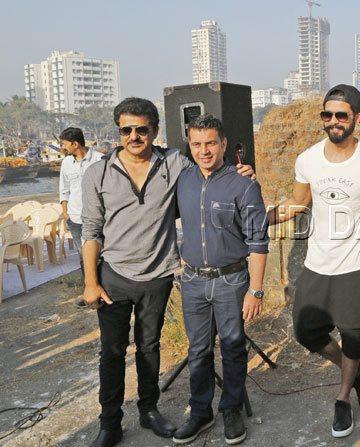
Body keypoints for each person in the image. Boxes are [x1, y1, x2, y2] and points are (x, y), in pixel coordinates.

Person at [81, 98, 254, 447]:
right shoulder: (96, 172)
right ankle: (110, 423)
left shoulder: (173, 163)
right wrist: (90, 283)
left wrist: (243, 171)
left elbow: (211, 168)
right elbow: (90, 232)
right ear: (119, 133)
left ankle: (149, 411)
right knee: (112, 351)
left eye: (141, 129)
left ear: (155, 131)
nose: (134, 136)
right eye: (126, 130)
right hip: (114, 276)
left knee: (148, 347)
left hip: (158, 274)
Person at [267, 85, 360, 439]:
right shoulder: (308, 158)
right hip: (317, 262)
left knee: (352, 336)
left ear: (357, 118)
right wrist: (262, 217)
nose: (333, 121)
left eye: (341, 115)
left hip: (354, 264)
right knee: (306, 331)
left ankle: (343, 397)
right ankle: (356, 368)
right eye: (327, 114)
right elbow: (299, 203)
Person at [171, 114, 269, 445]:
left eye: (211, 143)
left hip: (231, 281)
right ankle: (200, 412)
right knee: (198, 349)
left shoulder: (244, 184)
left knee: (232, 347)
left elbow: (258, 241)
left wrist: (255, 290)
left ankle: (231, 409)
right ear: (189, 145)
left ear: (224, 143)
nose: (204, 150)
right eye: (196, 144)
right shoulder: (183, 181)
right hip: (194, 281)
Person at [59, 127, 104, 307]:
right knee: (82, 255)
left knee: (101, 254)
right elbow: (64, 189)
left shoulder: (100, 160)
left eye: (64, 144)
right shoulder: (66, 163)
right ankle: (90, 292)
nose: (62, 147)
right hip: (75, 218)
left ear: (75, 144)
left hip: (97, 217)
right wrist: (65, 211)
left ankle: (105, 289)